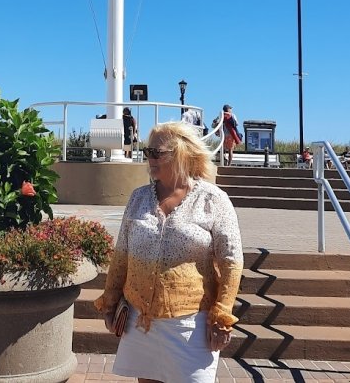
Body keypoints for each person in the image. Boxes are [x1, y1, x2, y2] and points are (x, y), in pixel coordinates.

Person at [94, 121, 243, 382]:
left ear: (181, 154)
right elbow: (122, 255)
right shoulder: (138, 197)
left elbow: (231, 261)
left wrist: (222, 317)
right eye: (147, 152)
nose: (149, 158)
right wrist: (110, 302)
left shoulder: (213, 199)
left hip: (190, 325)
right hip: (140, 321)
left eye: (156, 152)